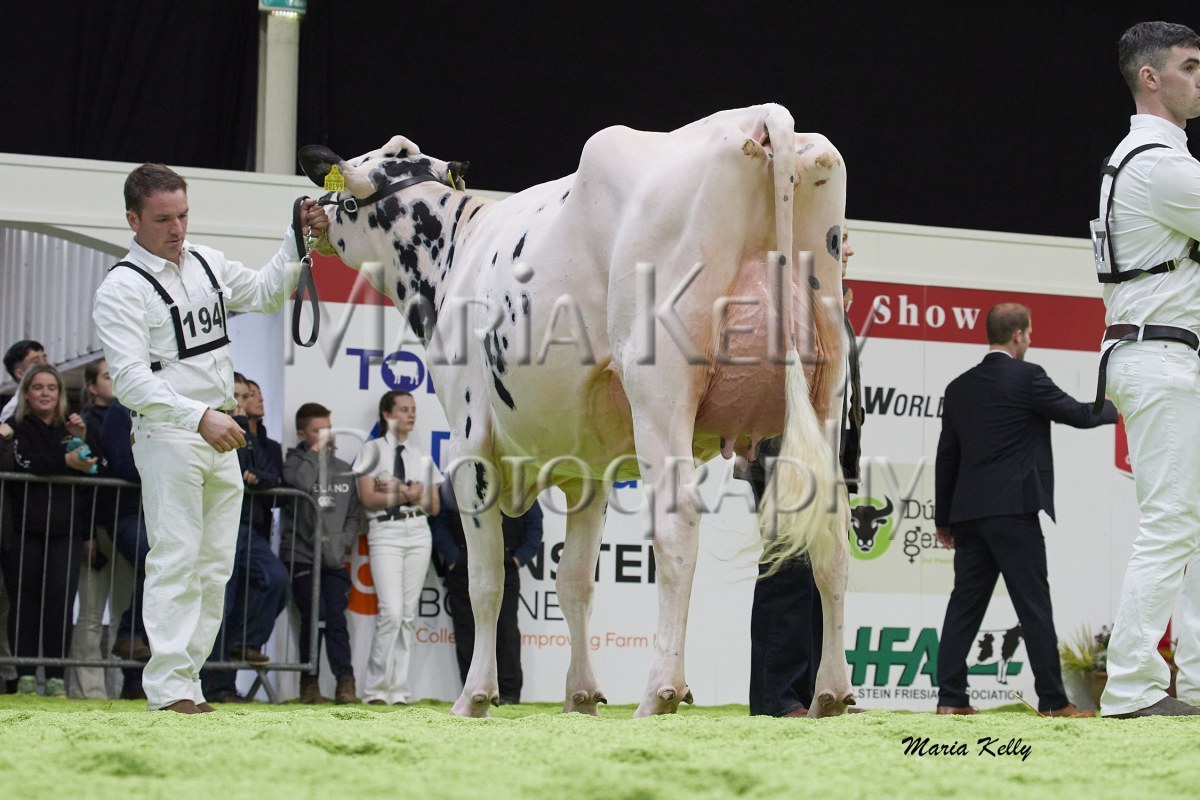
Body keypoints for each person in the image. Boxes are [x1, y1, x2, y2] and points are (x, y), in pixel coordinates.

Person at [90, 162, 328, 714]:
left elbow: (267, 293)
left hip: (221, 428)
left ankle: (188, 681)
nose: (176, 228)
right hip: (172, 431)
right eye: (162, 219)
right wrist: (198, 416)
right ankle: (168, 688)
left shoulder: (206, 262)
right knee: (175, 556)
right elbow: (129, 380)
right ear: (132, 220)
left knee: (216, 565)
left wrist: (296, 236)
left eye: (183, 215)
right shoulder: (122, 288)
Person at [934, 303, 1116, 717]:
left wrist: (943, 519)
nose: (1030, 341)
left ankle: (951, 699)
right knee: (1034, 608)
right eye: (1029, 333)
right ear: (1017, 334)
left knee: (963, 607)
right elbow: (1077, 414)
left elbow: (947, 457)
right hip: (1014, 512)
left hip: (969, 515)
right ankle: (1053, 701)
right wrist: (1116, 407)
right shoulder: (1028, 377)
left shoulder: (959, 387)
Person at [1094, 21, 1200, 719]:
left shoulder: (1148, 160)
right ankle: (1131, 688)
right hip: (1160, 355)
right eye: (1190, 66)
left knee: (1188, 526)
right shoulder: (1162, 167)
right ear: (1151, 78)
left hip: (1157, 353)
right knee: (1171, 524)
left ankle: (1192, 682)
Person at [742, 227, 862, 717]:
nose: (846, 252)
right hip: (782, 451)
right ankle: (777, 698)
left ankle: (815, 691)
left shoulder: (831, 309)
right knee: (788, 567)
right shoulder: (786, 305)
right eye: (839, 242)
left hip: (826, 457)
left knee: (820, 572)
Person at [0, 364, 97, 697]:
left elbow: (95, 468)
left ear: (60, 394)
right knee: (24, 602)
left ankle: (56, 676)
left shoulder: (71, 428)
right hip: (23, 530)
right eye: (38, 387)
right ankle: (25, 675)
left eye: (51, 388)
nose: (45, 393)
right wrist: (65, 461)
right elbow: (25, 461)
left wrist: (81, 440)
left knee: (60, 602)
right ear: (27, 393)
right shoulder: (15, 427)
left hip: (65, 531)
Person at [202, 374, 290, 703]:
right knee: (221, 603)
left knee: (275, 578)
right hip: (219, 524)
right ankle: (216, 685)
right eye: (237, 396)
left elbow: (271, 476)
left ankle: (243, 644)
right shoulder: (217, 429)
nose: (240, 403)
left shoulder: (255, 437)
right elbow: (237, 471)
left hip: (249, 528)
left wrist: (258, 476)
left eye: (244, 396)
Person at [353, 390, 442, 705]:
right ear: (387, 414)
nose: (411, 414)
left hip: (418, 531)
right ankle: (376, 689)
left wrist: (398, 490)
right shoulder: (371, 450)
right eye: (404, 409)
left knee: (406, 614)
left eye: (413, 409)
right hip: (386, 531)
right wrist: (410, 492)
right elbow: (368, 498)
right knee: (390, 612)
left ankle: (399, 690)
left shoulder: (422, 456)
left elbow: (433, 506)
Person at [281, 402, 362, 705]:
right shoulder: (294, 463)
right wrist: (315, 454)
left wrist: (342, 543)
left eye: (328, 428)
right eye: (318, 431)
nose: (326, 435)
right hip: (301, 555)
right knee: (315, 615)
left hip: (333, 559)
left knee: (336, 619)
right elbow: (300, 483)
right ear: (302, 435)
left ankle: (345, 682)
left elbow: (354, 515)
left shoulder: (343, 469)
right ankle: (309, 683)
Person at [431, 486, 543, 704]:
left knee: (506, 630)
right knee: (467, 630)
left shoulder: (518, 484)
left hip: (505, 565)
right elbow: (440, 522)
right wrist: (454, 558)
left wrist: (518, 559)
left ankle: (509, 693)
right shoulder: (457, 482)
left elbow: (535, 525)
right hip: (464, 567)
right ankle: (474, 692)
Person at [67, 358, 125, 699]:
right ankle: (88, 691)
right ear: (91, 386)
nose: (114, 379)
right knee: (90, 613)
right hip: (97, 525)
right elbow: (87, 487)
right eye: (107, 375)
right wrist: (87, 533)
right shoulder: (86, 424)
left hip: (123, 524)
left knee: (120, 613)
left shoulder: (132, 417)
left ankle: (117, 688)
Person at [1, 340, 48, 424]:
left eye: (45, 359)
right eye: (36, 362)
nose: (44, 365)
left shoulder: (55, 399)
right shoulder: (13, 410)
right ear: (20, 374)